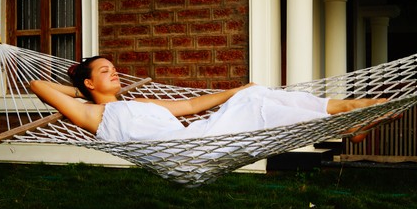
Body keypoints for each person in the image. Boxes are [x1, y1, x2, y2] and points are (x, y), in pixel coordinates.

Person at [30, 56, 386, 143]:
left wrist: (235, 90)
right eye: (105, 71)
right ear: (91, 82)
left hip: (202, 133)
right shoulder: (91, 114)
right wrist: (83, 92)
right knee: (259, 103)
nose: (115, 73)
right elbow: (38, 85)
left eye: (114, 68)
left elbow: (189, 107)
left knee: (257, 95)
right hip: (193, 147)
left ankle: (348, 116)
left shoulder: (138, 105)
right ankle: (350, 115)